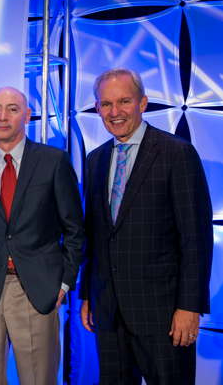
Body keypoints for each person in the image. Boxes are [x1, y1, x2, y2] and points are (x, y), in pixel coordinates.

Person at [81, 68, 213, 384]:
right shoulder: (95, 160)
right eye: (106, 104)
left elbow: (195, 237)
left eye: (124, 101)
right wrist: (88, 294)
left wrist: (189, 306)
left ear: (143, 103)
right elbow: (96, 236)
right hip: (109, 312)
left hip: (164, 314)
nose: (115, 112)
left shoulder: (176, 153)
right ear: (98, 108)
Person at [0, 86, 84, 385]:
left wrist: (64, 283)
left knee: (39, 379)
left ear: (27, 115)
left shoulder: (54, 161)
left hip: (38, 290)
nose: (3, 116)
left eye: (12, 109)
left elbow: (75, 229)